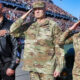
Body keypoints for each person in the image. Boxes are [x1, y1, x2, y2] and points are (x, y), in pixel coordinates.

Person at [6, 1, 64, 80]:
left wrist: (59, 67)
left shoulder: (53, 26)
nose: (37, 11)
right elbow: (12, 30)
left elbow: (59, 47)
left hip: (47, 68)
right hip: (32, 67)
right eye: (35, 9)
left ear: (45, 9)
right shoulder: (29, 26)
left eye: (39, 9)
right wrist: (24, 16)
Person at [0, 3, 20, 80]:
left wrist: (12, 66)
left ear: (3, 9)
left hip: (7, 64)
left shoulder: (11, 25)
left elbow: (17, 47)